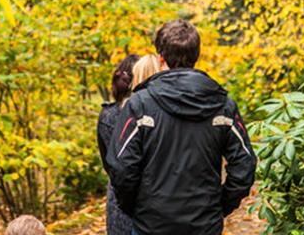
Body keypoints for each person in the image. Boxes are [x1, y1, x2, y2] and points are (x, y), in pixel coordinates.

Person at [106, 20, 256, 235]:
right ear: (196, 56)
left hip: (151, 225)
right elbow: (245, 164)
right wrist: (220, 206)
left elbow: (121, 168)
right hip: (204, 225)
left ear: (160, 58)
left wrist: (137, 209)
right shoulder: (222, 105)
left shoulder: (140, 104)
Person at [97, 54, 139, 235]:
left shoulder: (107, 116)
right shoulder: (147, 114)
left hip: (118, 199)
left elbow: (108, 162)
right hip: (148, 200)